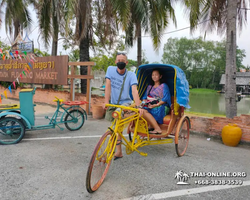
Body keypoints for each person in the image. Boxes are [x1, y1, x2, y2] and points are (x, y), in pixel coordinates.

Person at [103, 52, 143, 160]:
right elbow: (108, 86)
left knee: (117, 124)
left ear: (127, 62)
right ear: (116, 61)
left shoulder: (131, 75)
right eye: (118, 60)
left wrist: (138, 106)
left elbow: (134, 91)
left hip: (125, 103)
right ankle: (119, 152)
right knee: (116, 127)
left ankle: (116, 150)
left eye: (123, 61)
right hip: (113, 103)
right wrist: (106, 102)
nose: (120, 62)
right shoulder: (110, 70)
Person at [141, 69, 171, 134]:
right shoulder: (149, 87)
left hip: (161, 106)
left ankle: (157, 129)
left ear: (160, 76)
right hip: (150, 105)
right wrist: (143, 104)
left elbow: (165, 99)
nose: (154, 76)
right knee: (141, 110)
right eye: (153, 75)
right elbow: (144, 98)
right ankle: (151, 125)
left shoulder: (164, 86)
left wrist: (156, 105)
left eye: (156, 75)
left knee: (145, 111)